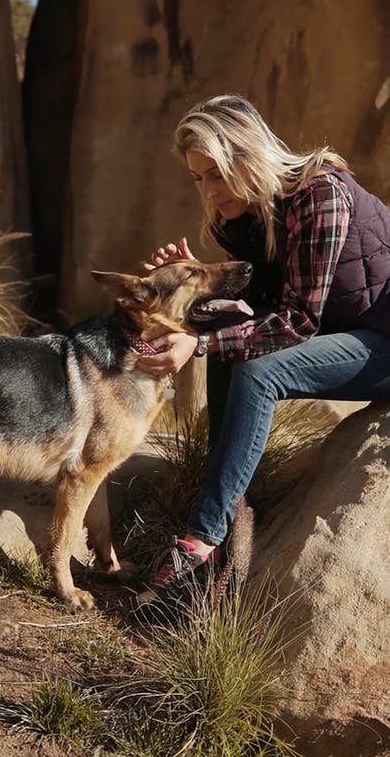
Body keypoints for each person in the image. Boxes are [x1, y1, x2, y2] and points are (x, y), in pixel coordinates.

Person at [134, 93, 390, 618]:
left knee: (257, 367)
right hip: (353, 333)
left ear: (246, 159)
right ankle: (224, 520)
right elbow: (260, 308)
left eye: (214, 175)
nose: (206, 190)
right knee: (230, 330)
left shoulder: (320, 198)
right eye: (196, 178)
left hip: (386, 342)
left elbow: (296, 323)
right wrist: (197, 284)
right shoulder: (255, 216)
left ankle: (201, 544)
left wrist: (199, 344)